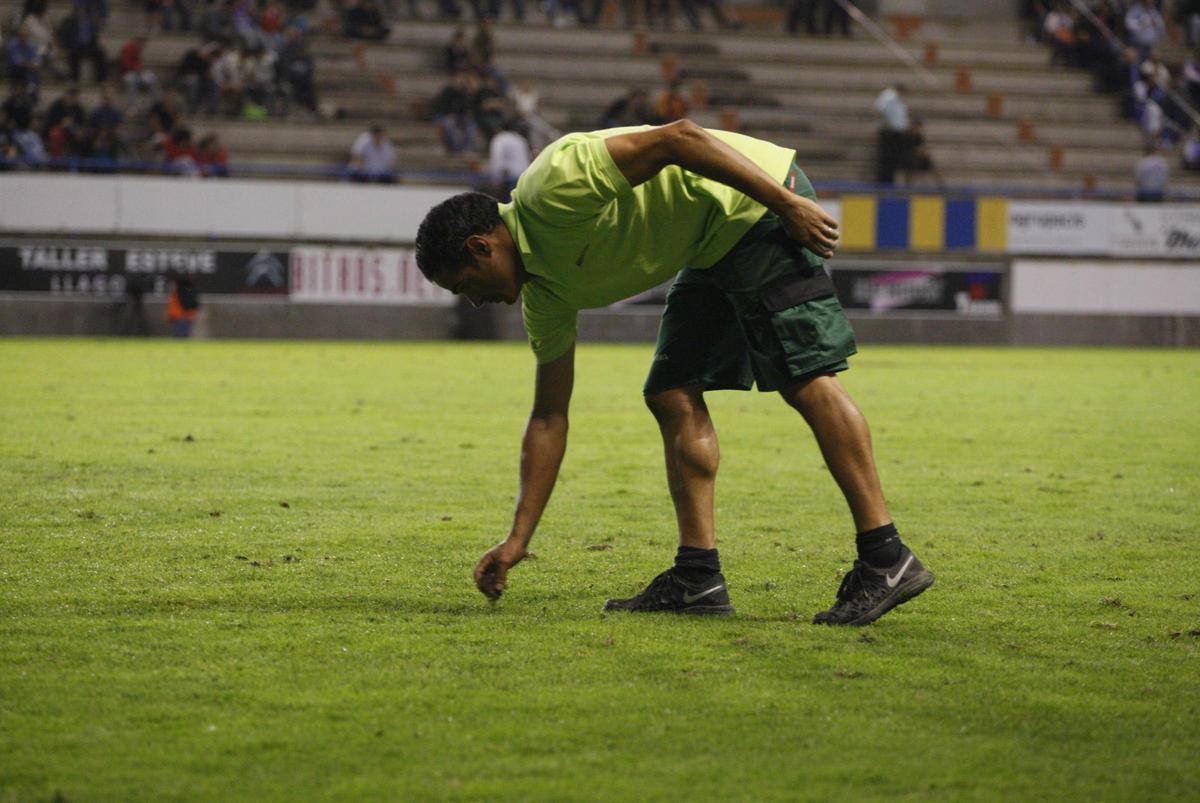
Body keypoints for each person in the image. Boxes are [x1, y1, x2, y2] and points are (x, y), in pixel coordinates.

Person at [414, 121, 935, 625]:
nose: (475, 302)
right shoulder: (545, 298)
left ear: (481, 247)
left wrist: (785, 202)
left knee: (805, 375)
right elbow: (550, 417)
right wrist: (518, 539)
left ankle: (885, 555)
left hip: (757, 205)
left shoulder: (551, 186)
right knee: (671, 391)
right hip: (709, 244)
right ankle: (697, 577)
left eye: (467, 285)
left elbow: (679, 138)